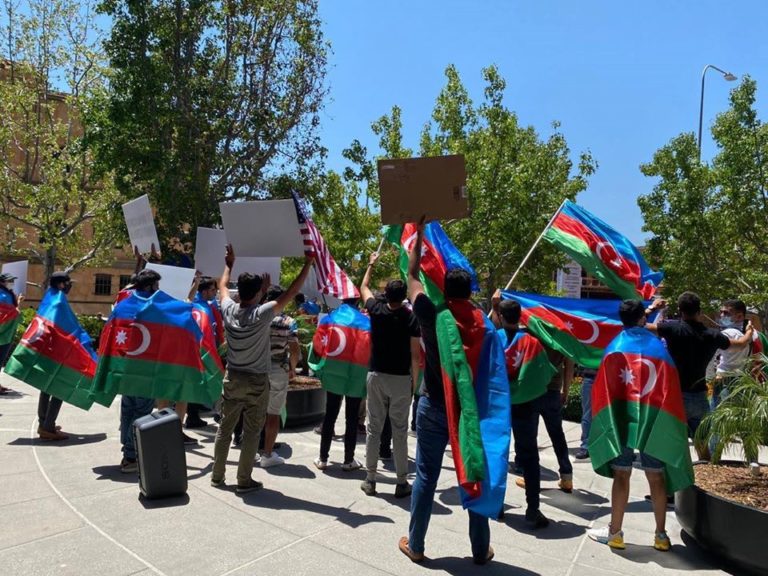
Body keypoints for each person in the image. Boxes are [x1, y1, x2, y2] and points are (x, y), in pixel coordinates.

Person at [399, 221, 493, 565]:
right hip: (470, 413)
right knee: (472, 473)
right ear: (470, 292)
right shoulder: (486, 324)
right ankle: (480, 549)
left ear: (445, 290)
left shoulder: (431, 315)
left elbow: (412, 276)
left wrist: (420, 235)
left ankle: (417, 544)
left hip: (434, 406)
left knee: (426, 475)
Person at [210, 245, 313, 494]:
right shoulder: (263, 313)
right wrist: (307, 264)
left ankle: (217, 476)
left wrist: (229, 263)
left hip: (232, 376)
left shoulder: (229, 309)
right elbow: (292, 292)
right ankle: (244, 479)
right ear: (258, 292)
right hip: (256, 380)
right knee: (252, 431)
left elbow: (222, 286)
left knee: (225, 428)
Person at [587, 300, 677, 551]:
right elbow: (669, 384)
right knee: (656, 477)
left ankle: (615, 532)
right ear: (641, 319)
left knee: (621, 473)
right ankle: (660, 535)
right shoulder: (658, 348)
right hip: (652, 419)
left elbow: (603, 389)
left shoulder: (615, 347)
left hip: (623, 419)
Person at [646, 292, 752, 459]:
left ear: (680, 310)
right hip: (699, 396)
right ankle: (705, 470)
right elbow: (740, 344)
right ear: (700, 311)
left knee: (671, 444)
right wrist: (749, 331)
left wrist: (652, 308)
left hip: (675, 395)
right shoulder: (712, 335)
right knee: (702, 445)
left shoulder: (671, 329)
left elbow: (638, 324)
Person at [491, 296, 557, 528]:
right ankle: (532, 508)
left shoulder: (493, 339)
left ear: (500, 316)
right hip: (526, 406)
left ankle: (496, 505)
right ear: (521, 317)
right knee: (529, 457)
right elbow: (545, 375)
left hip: (498, 404)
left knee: (498, 453)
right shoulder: (532, 343)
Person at [359, 251, 420, 498]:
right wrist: (414, 383)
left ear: (386, 294)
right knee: (399, 429)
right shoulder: (411, 317)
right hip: (400, 378)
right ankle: (401, 481)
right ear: (403, 296)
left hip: (376, 375)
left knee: (374, 428)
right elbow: (416, 355)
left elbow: (363, 286)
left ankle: (370, 478)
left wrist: (371, 264)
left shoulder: (376, 310)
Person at [313, 297, 368, 471]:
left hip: (333, 373)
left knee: (330, 415)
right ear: (357, 302)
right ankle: (348, 460)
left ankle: (322, 458)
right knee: (352, 418)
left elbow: (317, 344)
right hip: (356, 375)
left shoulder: (330, 318)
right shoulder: (366, 322)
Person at [119, 269, 162, 473]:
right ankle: (130, 456)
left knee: (128, 408)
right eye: (156, 285)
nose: (159, 289)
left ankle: (126, 448)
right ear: (149, 286)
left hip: (126, 367)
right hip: (145, 370)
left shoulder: (124, 303)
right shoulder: (152, 306)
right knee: (141, 411)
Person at [260, 285, 301, 468]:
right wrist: (292, 368)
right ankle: (267, 454)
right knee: (273, 413)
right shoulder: (289, 322)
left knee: (254, 412)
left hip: (257, 368)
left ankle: (251, 451)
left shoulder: (258, 317)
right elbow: (294, 348)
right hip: (278, 368)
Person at [36, 272, 74, 441]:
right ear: (60, 284)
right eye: (67, 282)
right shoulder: (59, 300)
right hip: (58, 349)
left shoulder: (49, 296)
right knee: (59, 388)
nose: (69, 285)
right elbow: (64, 326)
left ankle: (43, 423)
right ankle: (48, 427)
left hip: (47, 348)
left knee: (45, 388)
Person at [0, 272, 21, 395]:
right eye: (9, 280)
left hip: (6, 333)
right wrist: (17, 305)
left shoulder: (8, 294)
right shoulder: (3, 296)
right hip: (3, 333)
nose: (11, 283)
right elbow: (8, 314)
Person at [575, 366, 597, 460]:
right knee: (588, 414)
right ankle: (586, 446)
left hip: (610, 375)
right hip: (591, 376)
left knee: (613, 412)